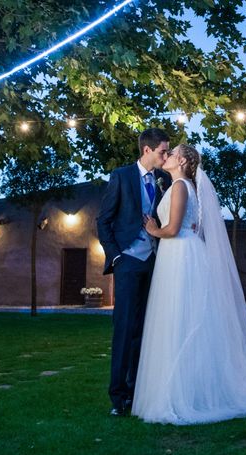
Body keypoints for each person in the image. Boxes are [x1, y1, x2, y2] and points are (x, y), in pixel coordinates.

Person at [133, 144, 246, 425]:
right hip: (179, 253)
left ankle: (184, 393)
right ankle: (185, 389)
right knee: (180, 318)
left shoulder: (181, 187)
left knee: (181, 318)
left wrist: (152, 230)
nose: (167, 156)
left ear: (182, 161)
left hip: (180, 253)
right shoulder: (182, 186)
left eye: (172, 154)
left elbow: (172, 229)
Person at [96, 128, 172, 416]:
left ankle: (139, 391)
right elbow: (103, 221)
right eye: (163, 151)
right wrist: (116, 257)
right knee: (125, 329)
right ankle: (118, 398)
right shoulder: (121, 176)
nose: (166, 156)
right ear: (147, 151)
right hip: (128, 261)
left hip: (155, 263)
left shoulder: (165, 180)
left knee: (147, 329)